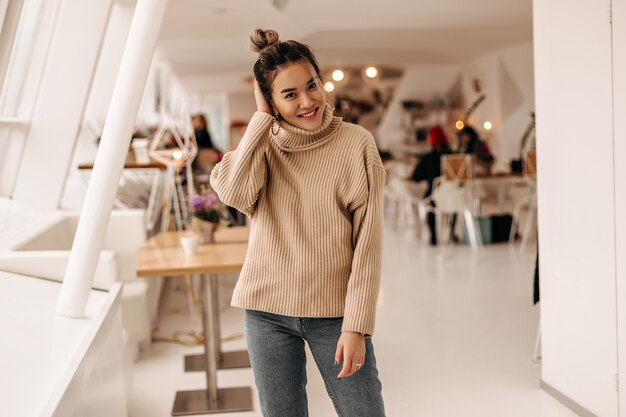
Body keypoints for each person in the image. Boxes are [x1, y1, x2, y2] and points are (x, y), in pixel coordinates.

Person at [210, 29, 386, 417]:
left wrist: (357, 325)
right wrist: (259, 122)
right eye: (289, 94)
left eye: (312, 85)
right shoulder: (263, 145)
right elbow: (234, 193)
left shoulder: (357, 144)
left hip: (336, 316)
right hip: (265, 312)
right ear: (270, 101)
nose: (308, 102)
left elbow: (368, 246)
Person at [411, 125, 452, 245]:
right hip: (452, 196)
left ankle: (434, 236)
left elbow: (416, 177)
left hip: (434, 196)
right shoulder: (453, 155)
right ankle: (452, 233)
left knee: (429, 199)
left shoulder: (427, 158)